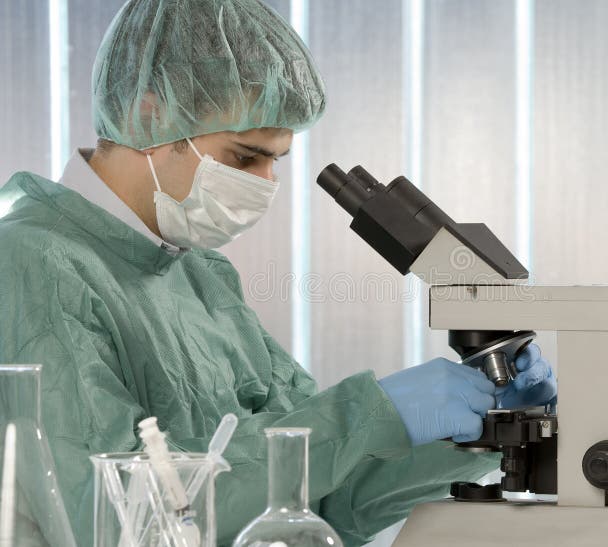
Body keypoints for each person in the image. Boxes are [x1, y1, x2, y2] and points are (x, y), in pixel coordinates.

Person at [0, 1, 556, 545]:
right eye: (245, 157)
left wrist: (476, 436)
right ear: (152, 116)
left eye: (276, 160)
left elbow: (318, 500)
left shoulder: (202, 276)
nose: (266, 181)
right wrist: (370, 411)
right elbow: (108, 521)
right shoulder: (33, 265)